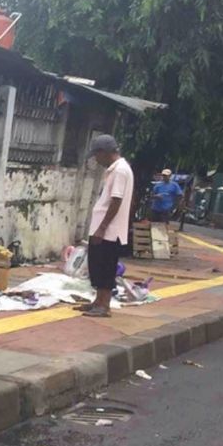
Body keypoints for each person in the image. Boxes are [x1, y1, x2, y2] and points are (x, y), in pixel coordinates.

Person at [80, 134, 134, 318]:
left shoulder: (119, 170)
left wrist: (102, 228)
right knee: (97, 266)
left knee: (105, 268)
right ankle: (98, 302)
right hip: (105, 230)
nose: (96, 159)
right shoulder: (116, 169)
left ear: (104, 152)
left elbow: (116, 201)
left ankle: (104, 306)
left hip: (109, 231)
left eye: (96, 155)